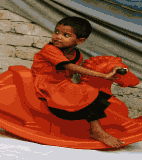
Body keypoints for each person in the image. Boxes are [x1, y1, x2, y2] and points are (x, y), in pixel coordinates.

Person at [32, 17, 128, 149]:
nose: (58, 37)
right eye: (57, 32)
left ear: (80, 41)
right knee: (86, 92)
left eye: (66, 35)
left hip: (62, 83)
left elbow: (76, 72)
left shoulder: (78, 55)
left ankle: (96, 124)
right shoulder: (50, 49)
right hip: (47, 83)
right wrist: (103, 75)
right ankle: (97, 131)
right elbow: (70, 67)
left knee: (89, 91)